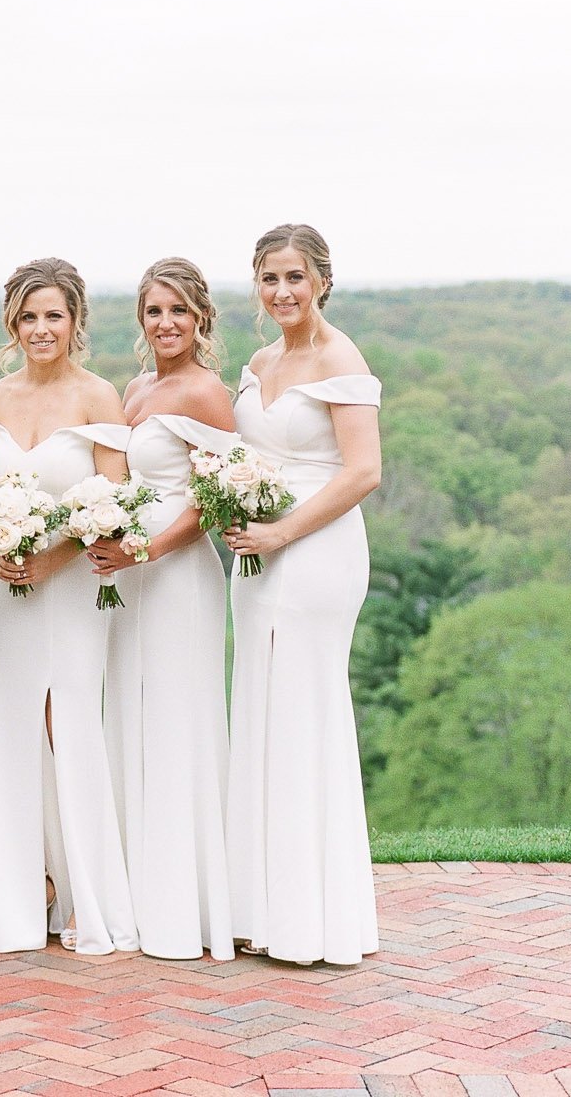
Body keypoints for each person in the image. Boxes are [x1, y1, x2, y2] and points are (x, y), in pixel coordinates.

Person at [0, 257, 138, 955]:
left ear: (75, 323)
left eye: (55, 316)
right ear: (14, 323)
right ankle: (17, 890)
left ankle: (82, 892)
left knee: (68, 720)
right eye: (30, 317)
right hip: (1, 590)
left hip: (70, 589)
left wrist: (54, 555)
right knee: (7, 725)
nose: (42, 329)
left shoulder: (100, 397)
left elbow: (116, 504)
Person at [224, 224, 382, 965]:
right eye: (269, 278)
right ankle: (261, 906)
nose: (281, 291)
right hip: (254, 556)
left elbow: (362, 473)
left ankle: (313, 918)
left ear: (321, 278)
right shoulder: (259, 362)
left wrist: (283, 534)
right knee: (260, 708)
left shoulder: (339, 358)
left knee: (301, 711)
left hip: (315, 554)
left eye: (294, 277)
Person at [99, 256, 236, 960]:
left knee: (177, 720)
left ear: (200, 317)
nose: (166, 323)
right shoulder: (135, 387)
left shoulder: (207, 393)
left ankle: (185, 905)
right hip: (126, 575)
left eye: (178, 310)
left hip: (176, 574)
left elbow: (214, 502)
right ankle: (130, 891)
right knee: (128, 712)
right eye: (154, 311)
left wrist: (145, 552)